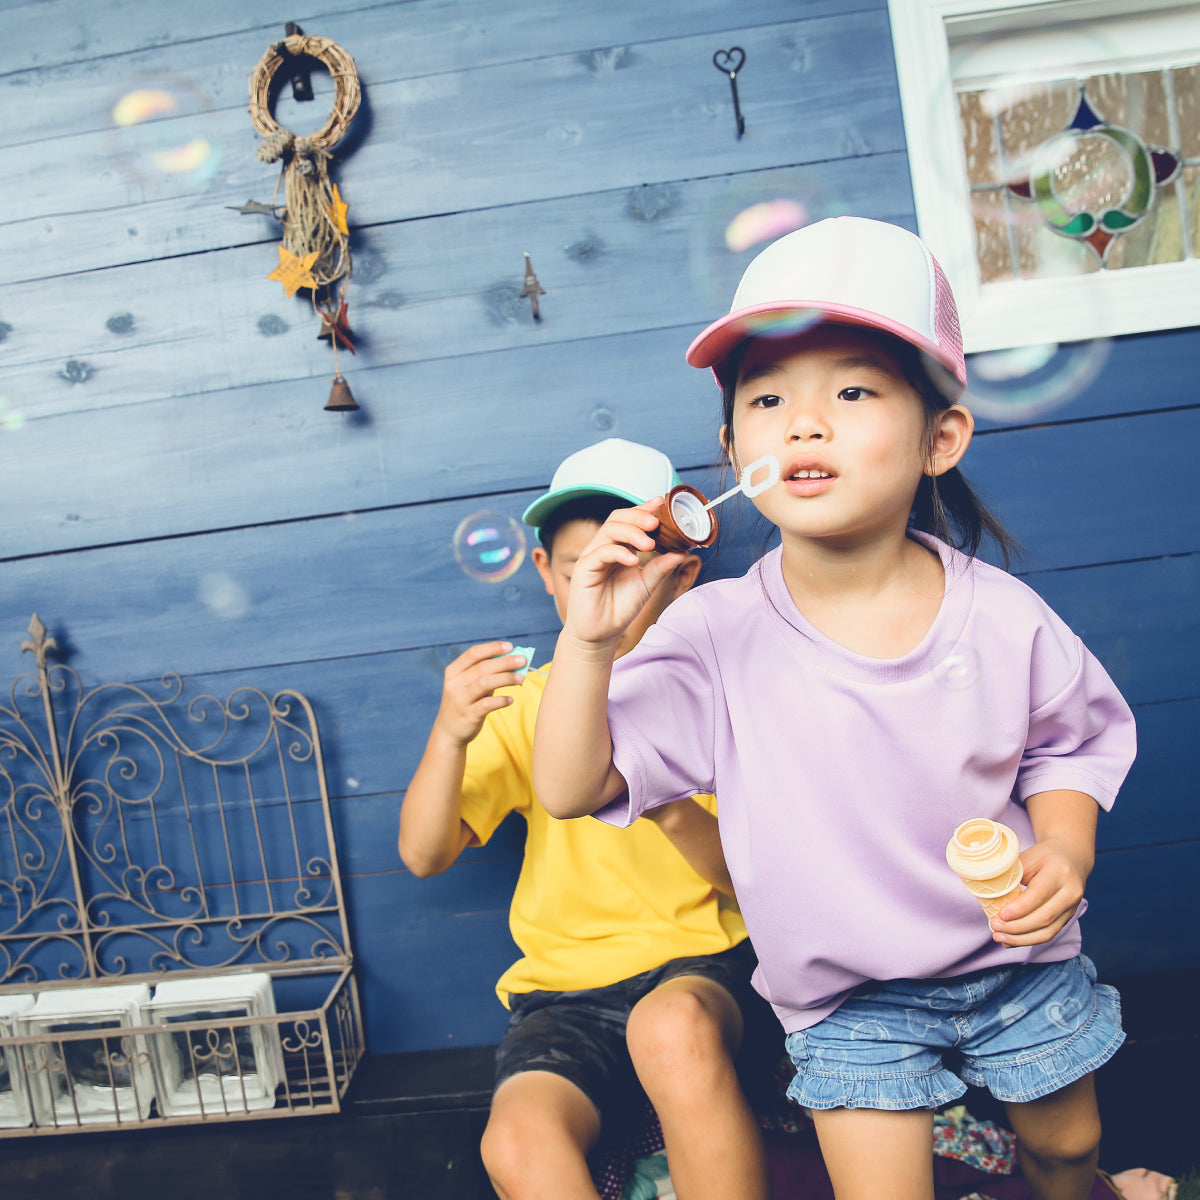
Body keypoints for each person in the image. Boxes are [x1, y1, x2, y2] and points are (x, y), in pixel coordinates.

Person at [531, 217, 1137, 1200]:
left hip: (1019, 959)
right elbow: (570, 787)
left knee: (1070, 1150)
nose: (804, 424)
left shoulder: (1004, 616)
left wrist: (1067, 850)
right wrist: (591, 644)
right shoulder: (713, 636)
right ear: (733, 449)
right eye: (768, 399)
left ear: (940, 438)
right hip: (849, 1000)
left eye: (852, 392)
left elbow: (1067, 748)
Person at [399, 437, 773, 1200]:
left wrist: (657, 800)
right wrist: (449, 736)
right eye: (580, 571)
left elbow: (756, 883)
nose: (601, 589)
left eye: (626, 567)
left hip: (702, 969)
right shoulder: (526, 704)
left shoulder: (721, 695)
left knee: (673, 1030)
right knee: (516, 1141)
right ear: (545, 573)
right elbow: (423, 854)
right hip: (565, 994)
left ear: (681, 573)